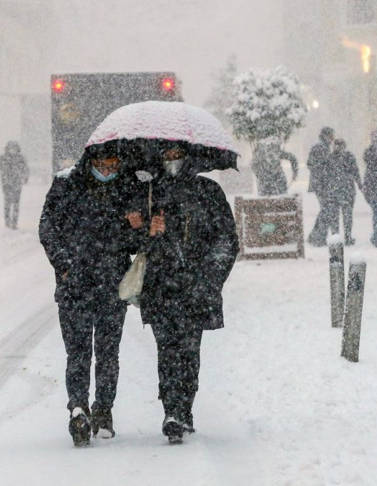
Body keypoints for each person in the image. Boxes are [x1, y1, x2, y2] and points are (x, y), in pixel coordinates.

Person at [132, 143, 239, 444]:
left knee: (189, 352)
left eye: (177, 155)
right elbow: (131, 241)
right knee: (167, 350)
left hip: (195, 288)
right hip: (160, 287)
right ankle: (172, 411)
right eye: (166, 155)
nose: (172, 160)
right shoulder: (149, 193)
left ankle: (184, 408)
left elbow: (226, 240)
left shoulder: (208, 192)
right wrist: (147, 230)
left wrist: (209, 278)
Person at [38, 143, 140, 447]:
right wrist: (64, 266)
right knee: (79, 352)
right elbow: (47, 227)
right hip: (75, 285)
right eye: (102, 166)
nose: (108, 171)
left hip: (112, 284)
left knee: (108, 353)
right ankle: (79, 408)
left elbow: (134, 244)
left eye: (114, 166)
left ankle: (103, 410)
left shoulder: (128, 186)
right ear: (91, 161)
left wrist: (135, 227)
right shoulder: (66, 183)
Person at [306, 127, 337, 246]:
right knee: (327, 210)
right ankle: (318, 237)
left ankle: (316, 235)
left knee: (326, 210)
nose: (333, 138)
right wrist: (323, 171)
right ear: (325, 136)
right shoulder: (321, 148)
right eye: (331, 136)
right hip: (322, 184)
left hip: (321, 183)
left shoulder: (323, 147)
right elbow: (312, 164)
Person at [329, 139, 361, 245]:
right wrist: (360, 184)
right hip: (347, 190)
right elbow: (356, 172)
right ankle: (347, 237)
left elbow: (325, 175)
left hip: (334, 190)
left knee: (335, 216)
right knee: (347, 215)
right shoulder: (349, 157)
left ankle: (336, 238)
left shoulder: (330, 157)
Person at [0, 141, 29, 229]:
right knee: (7, 203)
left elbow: (25, 168)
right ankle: (7, 222)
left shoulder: (20, 158)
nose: (12, 150)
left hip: (17, 183)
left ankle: (14, 223)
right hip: (6, 183)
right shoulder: (3, 158)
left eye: (14, 148)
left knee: (16, 203)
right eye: (11, 148)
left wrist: (26, 177)